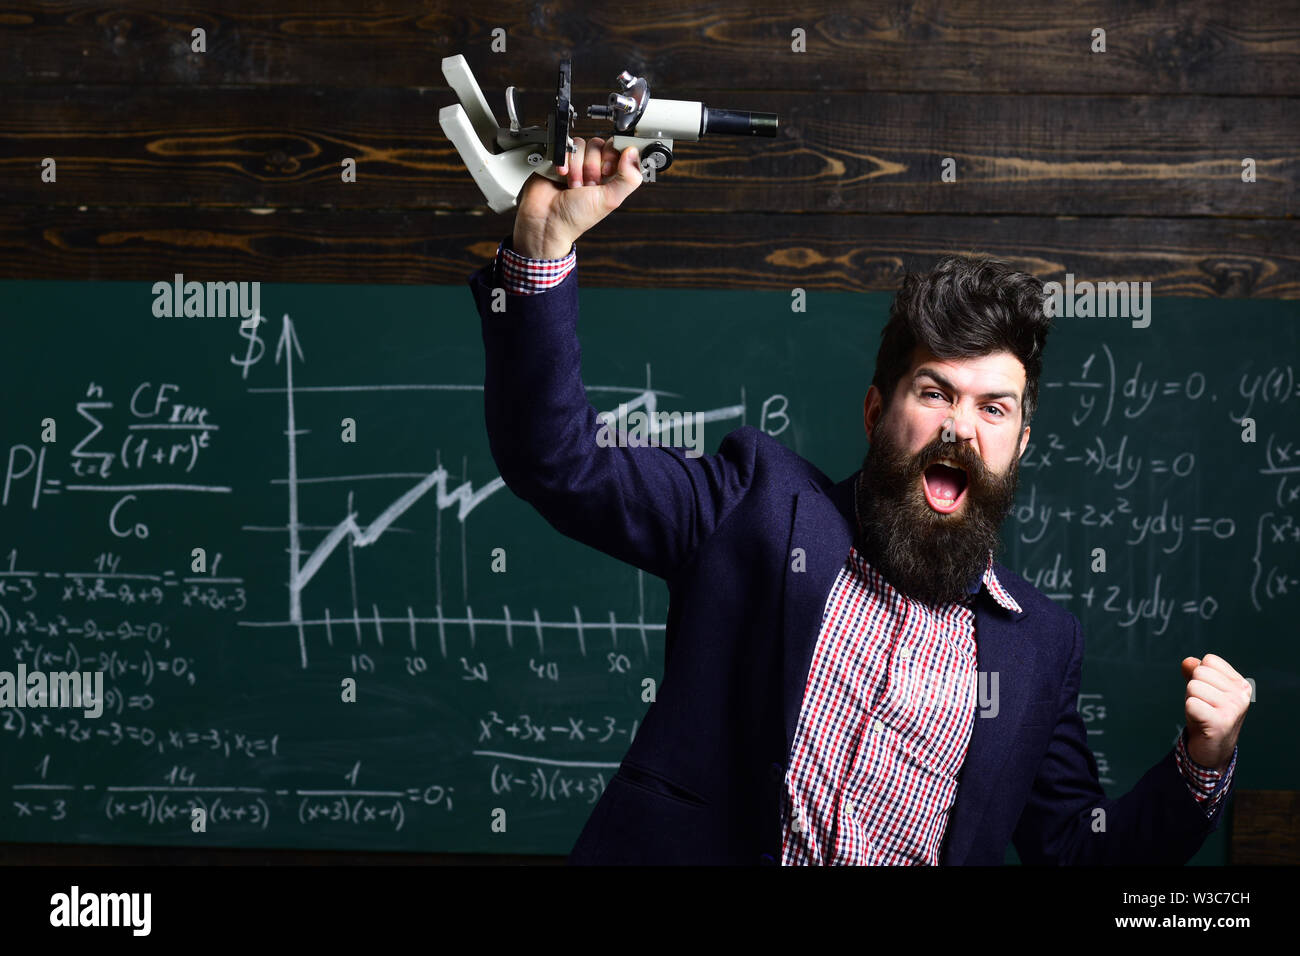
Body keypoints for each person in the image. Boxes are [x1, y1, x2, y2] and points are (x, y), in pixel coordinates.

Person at [465, 136, 1250, 865]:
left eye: (993, 408)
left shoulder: (1042, 645)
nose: (960, 428)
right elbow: (559, 462)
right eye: (935, 392)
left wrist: (1203, 763)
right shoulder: (755, 505)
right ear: (878, 413)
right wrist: (544, 245)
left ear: (1020, 444)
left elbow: (1080, 851)